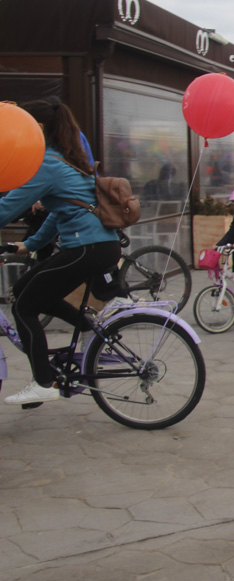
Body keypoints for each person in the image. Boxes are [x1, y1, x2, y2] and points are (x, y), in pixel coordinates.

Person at [0, 97, 122, 405]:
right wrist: (28, 245)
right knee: (27, 289)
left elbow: (6, 208)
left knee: (24, 307)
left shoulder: (47, 164)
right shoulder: (66, 158)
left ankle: (43, 382)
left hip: (86, 248)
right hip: (96, 247)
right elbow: (58, 214)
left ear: (37, 128)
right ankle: (88, 329)